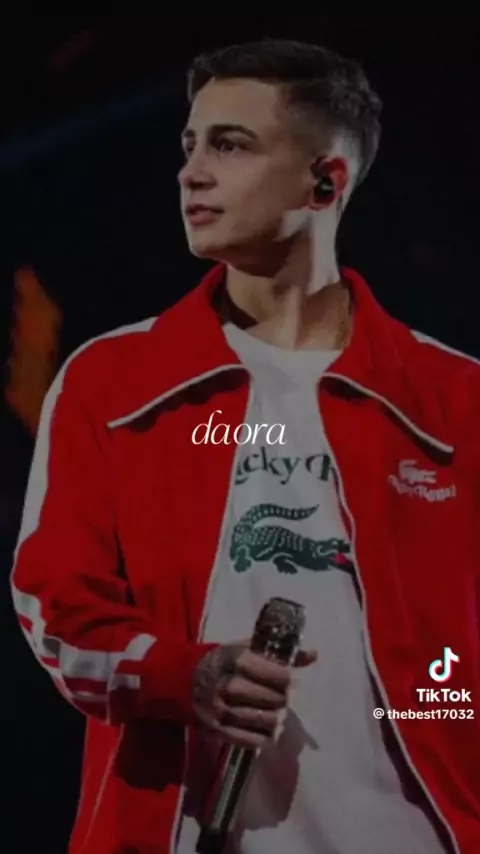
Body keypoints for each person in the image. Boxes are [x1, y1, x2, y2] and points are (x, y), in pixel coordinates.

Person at [10, 37, 480, 854]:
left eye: (229, 145)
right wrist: (182, 674)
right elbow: (54, 606)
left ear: (325, 181)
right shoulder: (111, 382)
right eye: (189, 145)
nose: (191, 173)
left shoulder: (455, 397)